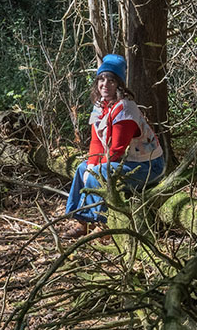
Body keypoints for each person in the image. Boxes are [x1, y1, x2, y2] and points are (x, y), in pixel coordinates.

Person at [63, 54, 165, 235]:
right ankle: (81, 220)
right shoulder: (100, 106)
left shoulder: (125, 109)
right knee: (82, 168)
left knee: (100, 174)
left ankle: (101, 224)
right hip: (125, 162)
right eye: (101, 79)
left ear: (119, 83)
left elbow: (116, 150)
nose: (105, 84)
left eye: (111, 80)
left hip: (147, 166)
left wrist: (94, 171)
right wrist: (90, 167)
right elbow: (96, 142)